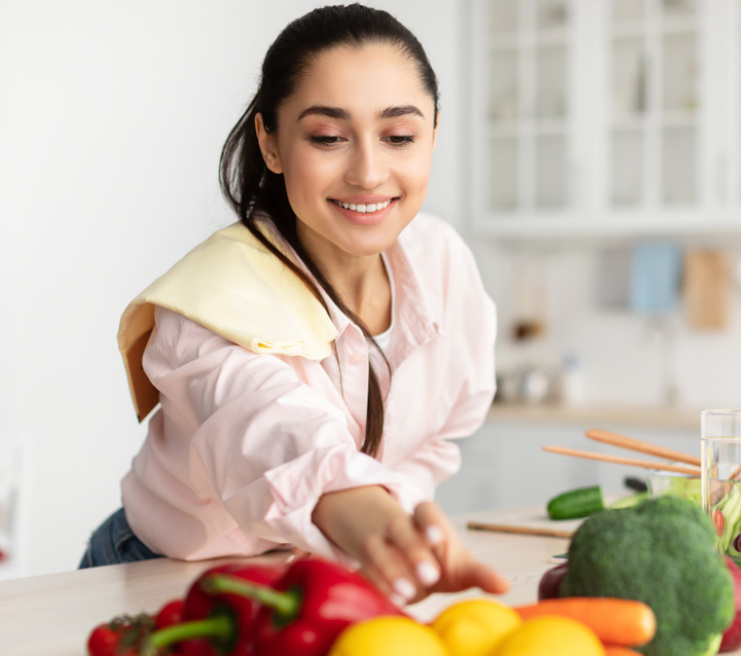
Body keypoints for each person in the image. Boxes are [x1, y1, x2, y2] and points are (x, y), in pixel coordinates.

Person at [79, 3, 509, 607]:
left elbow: (439, 435)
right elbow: (271, 434)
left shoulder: (442, 260)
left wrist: (396, 526)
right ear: (272, 143)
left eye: (400, 136)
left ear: (434, 134)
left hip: (322, 580)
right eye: (329, 137)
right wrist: (368, 519)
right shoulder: (210, 299)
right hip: (167, 580)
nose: (367, 171)